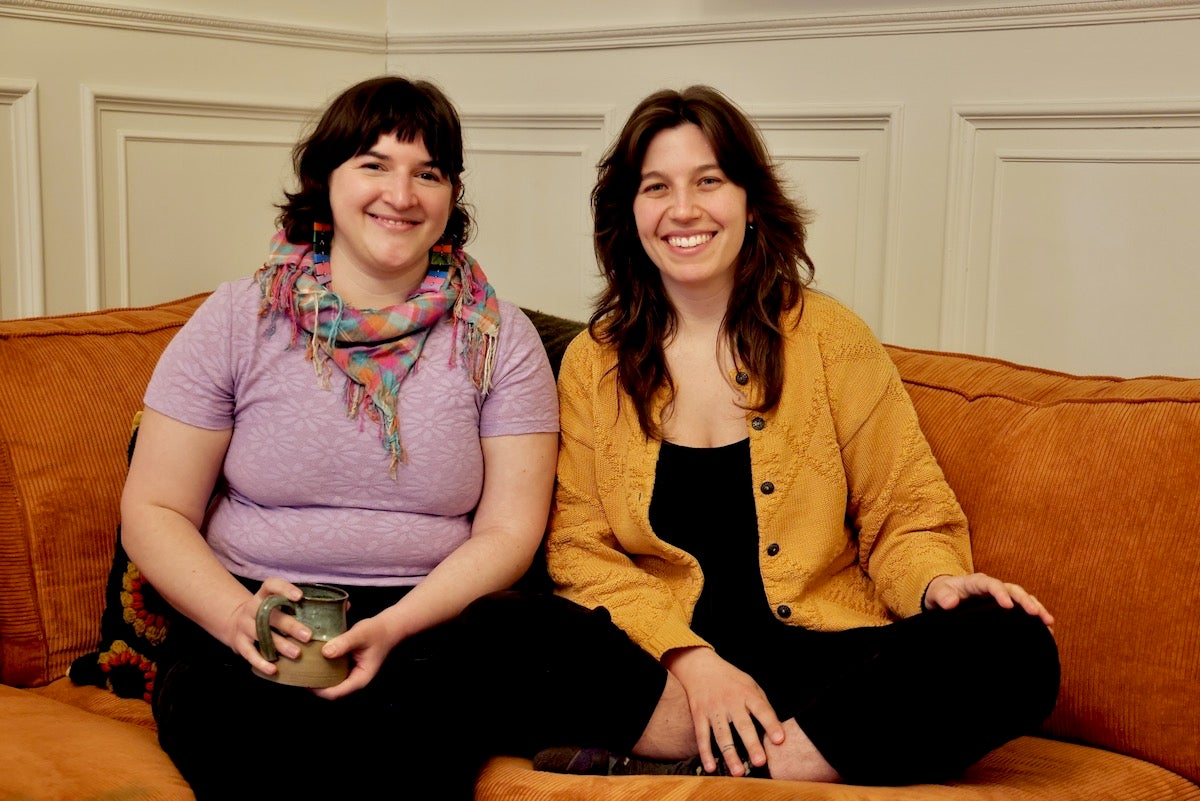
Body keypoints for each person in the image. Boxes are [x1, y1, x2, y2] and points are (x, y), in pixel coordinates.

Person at [522, 84, 1061, 785]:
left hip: (820, 663)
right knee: (499, 632)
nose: (683, 209)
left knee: (1012, 642)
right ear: (631, 212)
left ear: (749, 201)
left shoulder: (831, 338)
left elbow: (907, 509)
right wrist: (694, 661)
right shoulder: (594, 362)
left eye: (708, 181)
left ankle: (738, 765)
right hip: (671, 676)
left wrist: (937, 582)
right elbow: (580, 552)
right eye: (657, 187)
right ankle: (767, 747)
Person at [119, 75, 559, 799]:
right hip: (250, 625)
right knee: (259, 753)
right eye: (375, 164)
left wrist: (398, 627)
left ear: (451, 196)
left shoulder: (498, 337)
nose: (403, 192)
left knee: (407, 749)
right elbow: (155, 508)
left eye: (429, 172)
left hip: (430, 626)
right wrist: (237, 615)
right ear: (324, 180)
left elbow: (511, 528)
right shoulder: (238, 316)